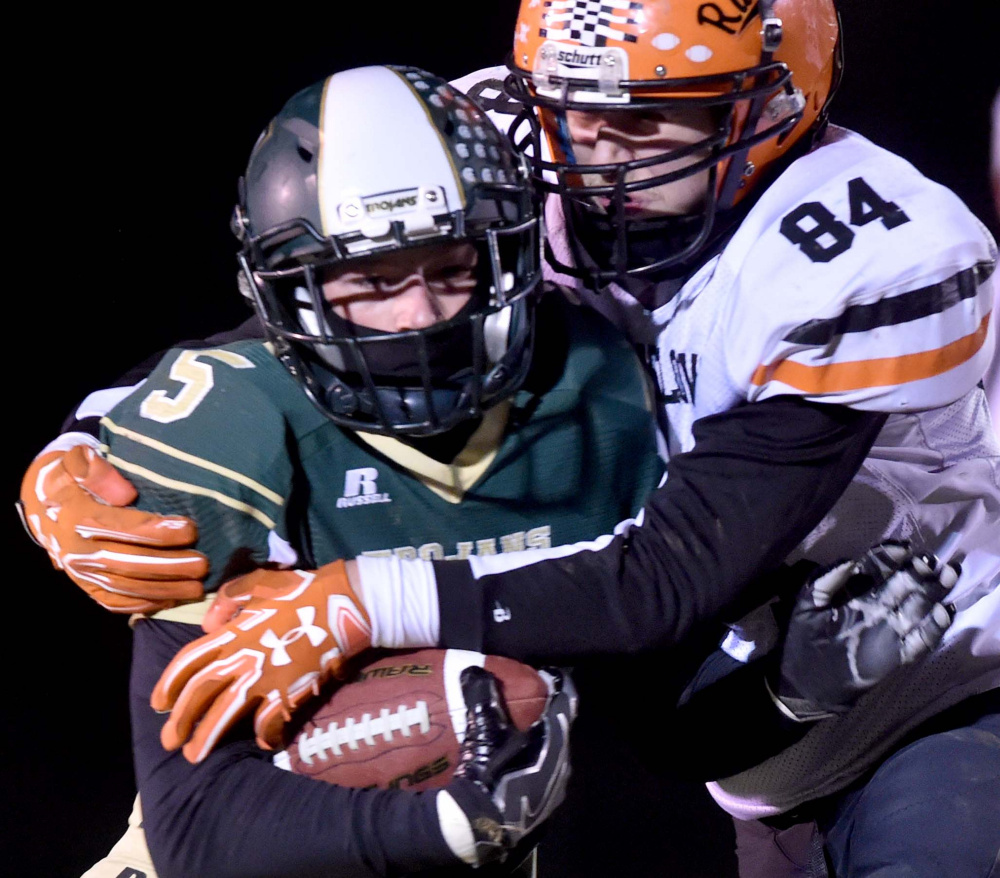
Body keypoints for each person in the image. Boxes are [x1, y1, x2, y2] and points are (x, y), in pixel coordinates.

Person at [136, 3, 999, 876]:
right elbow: (321, 290)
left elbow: (670, 573)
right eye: (576, 108)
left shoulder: (878, 248)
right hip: (747, 712)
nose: (596, 145)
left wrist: (362, 600)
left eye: (647, 111)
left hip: (934, 666)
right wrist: (112, 434)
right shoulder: (498, 139)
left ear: (769, 104)